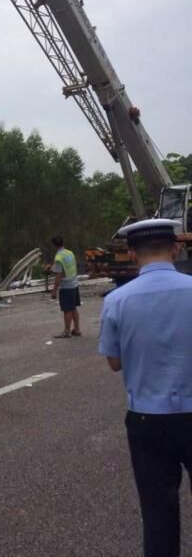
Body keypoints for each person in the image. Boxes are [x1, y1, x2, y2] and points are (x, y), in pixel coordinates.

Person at [98, 219, 192, 557]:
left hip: (147, 421)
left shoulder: (117, 300)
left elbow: (114, 362)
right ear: (176, 248)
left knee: (158, 515)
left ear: (131, 253)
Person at [50, 235, 81, 338]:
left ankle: (67, 331)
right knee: (73, 308)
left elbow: (58, 275)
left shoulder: (58, 257)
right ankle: (77, 329)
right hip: (74, 283)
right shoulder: (69, 253)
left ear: (54, 245)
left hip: (66, 286)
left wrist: (54, 291)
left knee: (67, 309)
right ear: (63, 243)